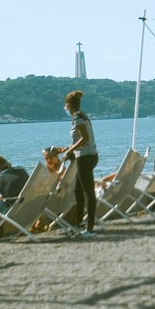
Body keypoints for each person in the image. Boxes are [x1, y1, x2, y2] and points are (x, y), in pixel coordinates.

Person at [56, 89, 99, 234]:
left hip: (85, 157)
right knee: (78, 190)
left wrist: (70, 151)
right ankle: (79, 223)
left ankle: (90, 227)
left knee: (88, 192)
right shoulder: (82, 115)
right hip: (89, 155)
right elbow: (80, 139)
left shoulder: (77, 117)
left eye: (65, 105)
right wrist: (66, 149)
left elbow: (84, 138)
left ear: (69, 105)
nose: (65, 108)